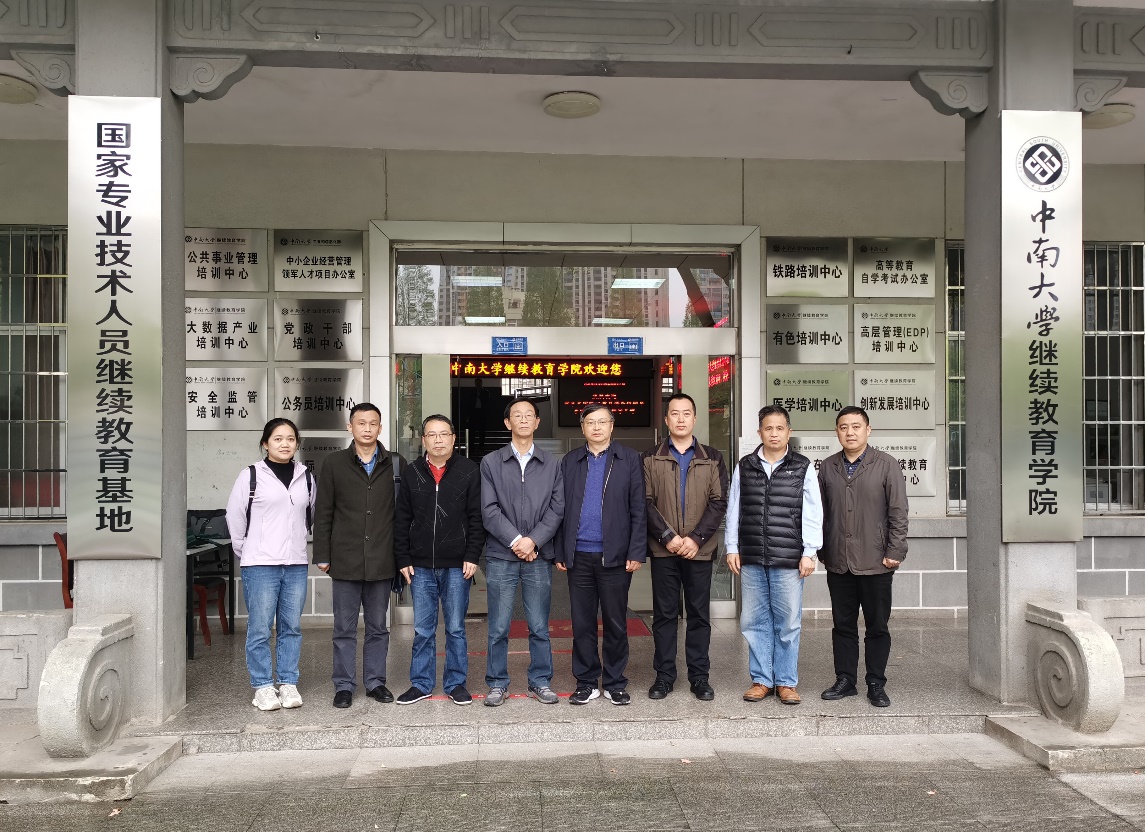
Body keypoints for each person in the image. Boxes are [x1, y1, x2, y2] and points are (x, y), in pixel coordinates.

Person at [725, 405, 822, 705]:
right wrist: (732, 547)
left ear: (789, 432)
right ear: (760, 432)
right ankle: (761, 680)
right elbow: (734, 508)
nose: (774, 434)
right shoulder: (745, 466)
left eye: (780, 428)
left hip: (789, 558)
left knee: (788, 622)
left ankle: (786, 682)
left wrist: (809, 552)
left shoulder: (802, 467)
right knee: (754, 621)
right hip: (752, 555)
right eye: (769, 428)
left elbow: (813, 511)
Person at [313, 402, 407, 709]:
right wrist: (322, 553)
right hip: (345, 559)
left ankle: (375, 682)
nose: (367, 429)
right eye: (361, 423)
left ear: (380, 427)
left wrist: (403, 556)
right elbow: (323, 511)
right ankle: (344, 685)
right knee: (344, 628)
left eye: (373, 423)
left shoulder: (395, 463)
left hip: (382, 558)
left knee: (378, 627)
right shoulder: (334, 463)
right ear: (350, 427)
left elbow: (404, 514)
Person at [556, 403, 646, 706]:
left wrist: (636, 550)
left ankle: (615, 682)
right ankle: (585, 682)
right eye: (590, 422)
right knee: (581, 623)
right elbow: (560, 509)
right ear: (582, 428)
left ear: (612, 426)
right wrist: (561, 549)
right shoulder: (570, 461)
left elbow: (638, 508)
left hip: (615, 556)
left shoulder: (629, 459)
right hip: (579, 554)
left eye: (602, 421)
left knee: (615, 622)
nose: (596, 427)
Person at [818, 405, 908, 708]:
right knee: (842, 625)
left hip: (876, 560)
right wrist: (822, 549)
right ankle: (845, 680)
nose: (850, 432)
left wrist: (895, 550)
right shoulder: (828, 467)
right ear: (837, 432)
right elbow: (820, 513)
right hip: (839, 560)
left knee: (877, 626)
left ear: (868, 430)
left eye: (856, 426)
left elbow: (898, 512)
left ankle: (875, 683)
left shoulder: (886, 464)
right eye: (843, 427)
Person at [642, 392, 729, 701]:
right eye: (674, 414)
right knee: (664, 615)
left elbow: (719, 502)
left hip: (698, 551)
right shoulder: (650, 458)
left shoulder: (713, 457)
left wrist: (696, 539)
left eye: (686, 413)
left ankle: (699, 677)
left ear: (694, 418)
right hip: (664, 549)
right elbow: (644, 502)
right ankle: (664, 676)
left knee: (698, 615)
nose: (680, 419)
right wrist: (668, 536)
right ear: (667, 420)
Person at [225, 418, 316, 711]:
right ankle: (263, 686)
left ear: (297, 444)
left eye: (290, 439)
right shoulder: (250, 475)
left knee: (291, 626)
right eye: (278, 439)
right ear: (265, 443)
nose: (285, 444)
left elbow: (310, 514)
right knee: (260, 628)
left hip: (295, 562)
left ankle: (288, 682)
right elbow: (235, 518)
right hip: (260, 565)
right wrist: (249, 552)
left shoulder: (306, 476)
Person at [394, 414, 485, 705]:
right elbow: (401, 518)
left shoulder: (469, 470)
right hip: (420, 566)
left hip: (458, 565)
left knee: (456, 628)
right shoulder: (412, 472)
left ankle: (455, 683)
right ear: (423, 440)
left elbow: (476, 517)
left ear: (453, 438)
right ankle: (421, 684)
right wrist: (403, 557)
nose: (438, 440)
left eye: (444, 434)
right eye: (432, 435)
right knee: (423, 630)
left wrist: (472, 554)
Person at [480, 397, 565, 707]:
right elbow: (489, 510)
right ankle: (497, 683)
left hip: (538, 556)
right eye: (518, 415)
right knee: (499, 626)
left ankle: (540, 681)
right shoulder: (491, 462)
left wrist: (534, 541)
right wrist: (518, 540)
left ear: (538, 422)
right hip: (501, 555)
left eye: (530, 415)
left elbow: (557, 509)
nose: (524, 419)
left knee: (539, 625)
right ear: (508, 423)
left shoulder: (552, 463)